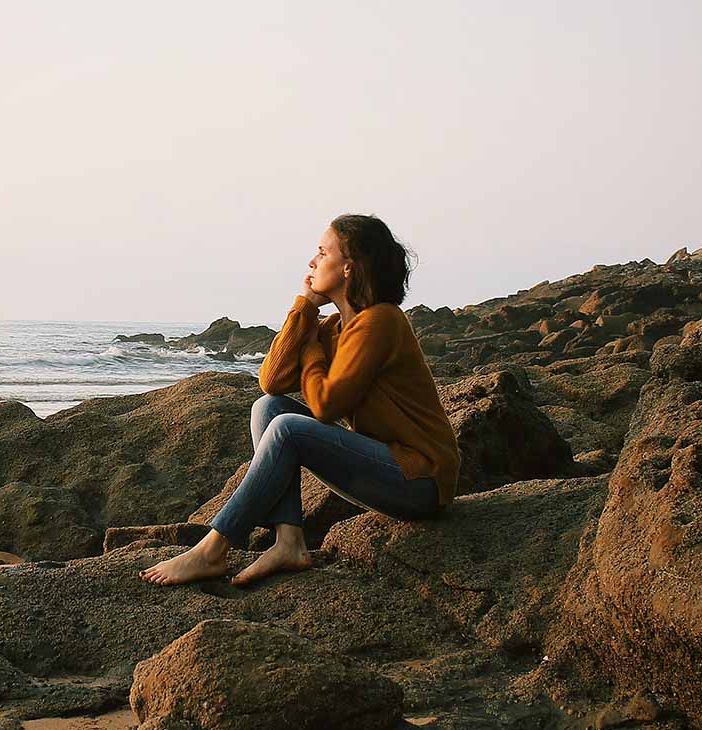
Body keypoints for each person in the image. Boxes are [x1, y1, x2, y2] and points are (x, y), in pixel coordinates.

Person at [139, 213, 461, 587]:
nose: (312, 262)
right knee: (269, 409)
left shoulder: (382, 322)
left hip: (420, 480)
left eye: (323, 253)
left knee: (288, 428)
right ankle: (289, 540)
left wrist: (310, 348)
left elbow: (325, 405)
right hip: (384, 463)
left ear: (348, 269)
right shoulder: (333, 328)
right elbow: (271, 382)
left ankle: (213, 549)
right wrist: (305, 309)